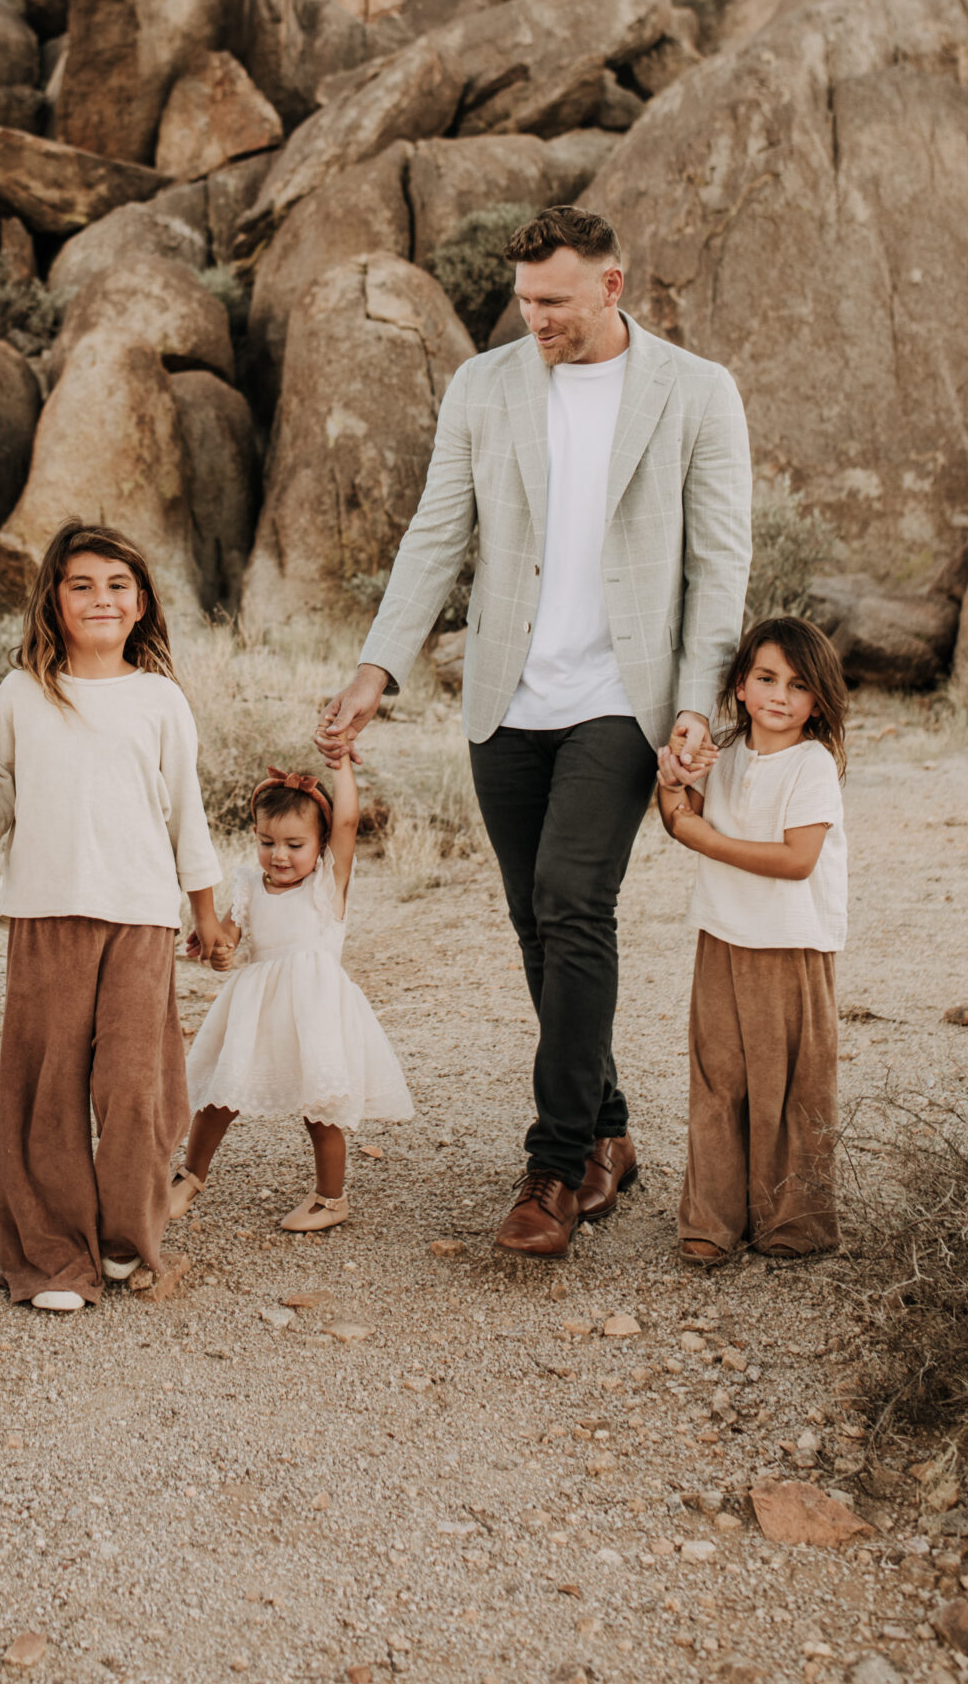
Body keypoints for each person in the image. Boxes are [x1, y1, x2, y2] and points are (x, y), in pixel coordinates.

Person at [319, 206, 751, 1260]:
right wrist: (379, 666)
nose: (535, 318)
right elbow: (437, 533)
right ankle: (608, 1127)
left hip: (625, 694)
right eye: (524, 300)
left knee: (572, 898)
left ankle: (553, 1168)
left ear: (613, 285)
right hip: (507, 697)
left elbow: (719, 562)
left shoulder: (697, 392)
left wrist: (697, 702)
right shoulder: (485, 385)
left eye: (554, 301)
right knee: (535, 922)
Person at [0, 523, 230, 1312]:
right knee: (47, 1091)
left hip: (140, 918)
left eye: (115, 585)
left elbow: (187, 814)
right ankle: (51, 1257)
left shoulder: (159, 698)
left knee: (136, 1089)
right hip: (46, 911)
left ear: (140, 603)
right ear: (53, 602)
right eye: (80, 585)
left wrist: (205, 914)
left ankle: (120, 1238)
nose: (100, 598)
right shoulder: (22, 692)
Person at [656, 614, 848, 1265]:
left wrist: (703, 837)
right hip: (722, 936)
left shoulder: (812, 764)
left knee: (792, 1083)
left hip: (789, 946)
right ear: (739, 685)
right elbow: (677, 818)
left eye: (797, 686)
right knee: (718, 1081)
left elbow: (797, 859)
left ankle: (793, 1219)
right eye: (765, 677)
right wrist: (671, 782)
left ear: (817, 701)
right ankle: (711, 1219)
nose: (779, 695)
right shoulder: (726, 754)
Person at [172, 750, 414, 1232]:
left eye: (294, 844)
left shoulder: (328, 885)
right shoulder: (248, 886)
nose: (279, 855)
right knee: (220, 1096)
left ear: (321, 845)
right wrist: (217, 952)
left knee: (320, 1109)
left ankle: (330, 1198)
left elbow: (346, 820)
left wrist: (341, 764)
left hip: (314, 1014)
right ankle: (188, 1176)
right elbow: (227, 943)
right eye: (267, 842)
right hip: (255, 1012)